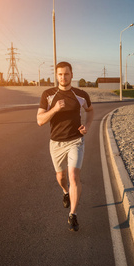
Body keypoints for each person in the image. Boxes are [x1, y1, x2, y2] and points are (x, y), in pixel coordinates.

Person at [37, 61, 94, 231]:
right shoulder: (48, 94)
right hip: (56, 143)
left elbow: (90, 111)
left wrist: (88, 126)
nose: (63, 77)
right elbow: (40, 121)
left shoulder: (81, 94)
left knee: (74, 176)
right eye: (60, 74)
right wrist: (54, 109)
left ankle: (73, 215)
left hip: (75, 140)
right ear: (56, 76)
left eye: (66, 74)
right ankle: (65, 192)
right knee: (61, 178)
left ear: (71, 75)